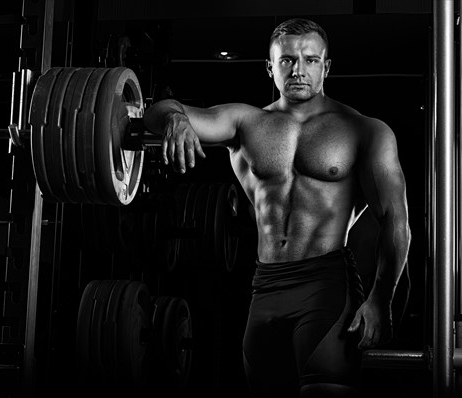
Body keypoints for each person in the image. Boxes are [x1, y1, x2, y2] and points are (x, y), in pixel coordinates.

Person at [143, 18, 411, 398]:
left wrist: (380, 300)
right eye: (286, 60)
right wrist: (175, 120)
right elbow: (159, 111)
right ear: (270, 67)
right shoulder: (246, 122)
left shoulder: (364, 130)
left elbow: (396, 221)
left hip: (327, 287)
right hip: (265, 288)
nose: (298, 69)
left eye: (310, 60)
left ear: (326, 66)